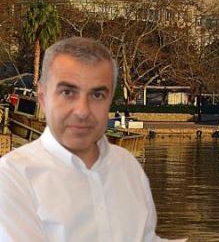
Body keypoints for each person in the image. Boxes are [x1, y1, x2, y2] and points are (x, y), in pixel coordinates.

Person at [0, 37, 183, 241]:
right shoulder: (14, 176)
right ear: (43, 98)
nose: (82, 111)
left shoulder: (128, 167)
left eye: (97, 95)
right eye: (68, 92)